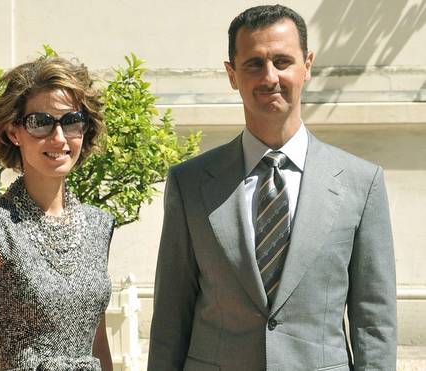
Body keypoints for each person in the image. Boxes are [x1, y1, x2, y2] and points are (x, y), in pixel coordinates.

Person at [148, 5, 396, 370]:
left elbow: (374, 320)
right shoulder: (190, 184)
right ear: (232, 74)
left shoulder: (362, 183)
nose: (270, 77)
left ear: (307, 65)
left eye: (282, 61)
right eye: (253, 64)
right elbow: (171, 314)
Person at [0, 56, 115, 371]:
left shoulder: (99, 225)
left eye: (71, 121)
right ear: (14, 132)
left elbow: (98, 343)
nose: (58, 138)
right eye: (40, 122)